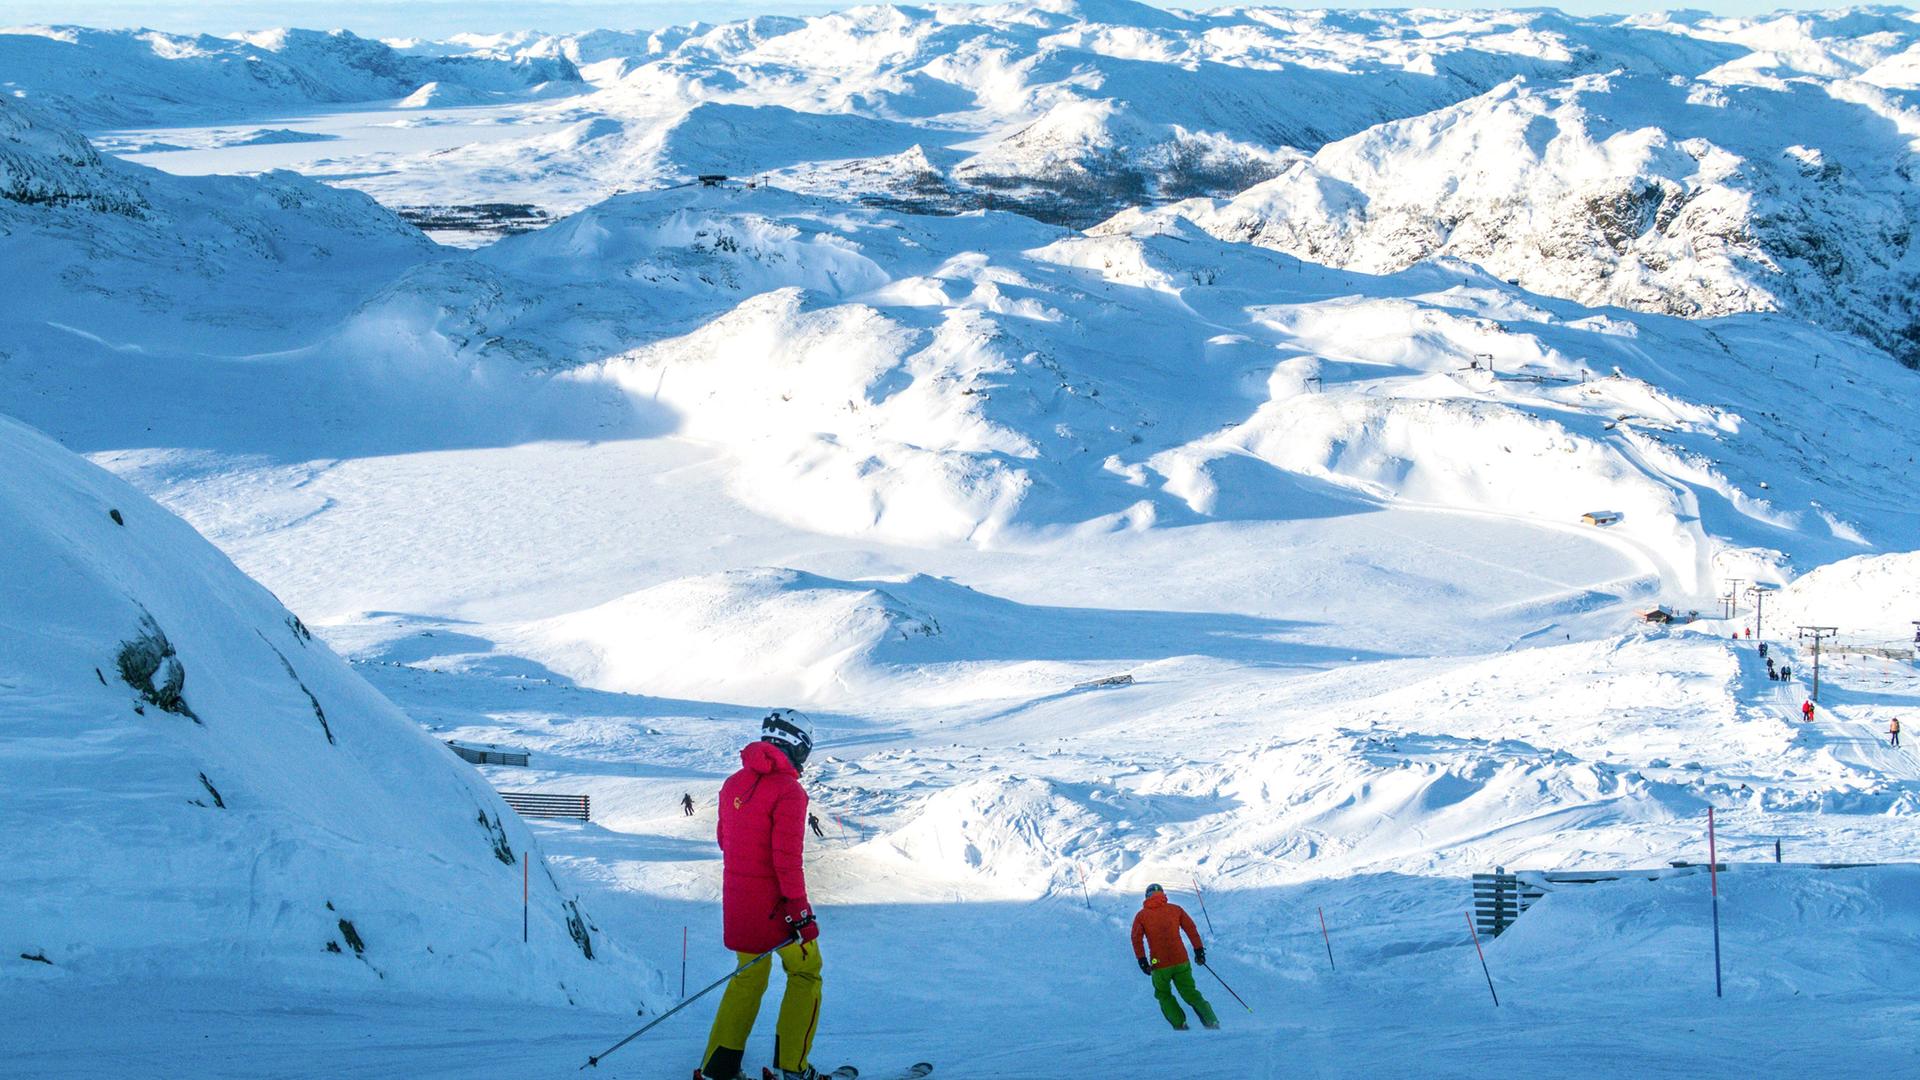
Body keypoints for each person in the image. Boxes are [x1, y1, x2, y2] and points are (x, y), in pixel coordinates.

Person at [699, 711, 824, 1080]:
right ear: (797, 747)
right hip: (778, 910)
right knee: (806, 973)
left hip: (740, 905)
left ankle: (718, 1067)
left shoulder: (733, 782)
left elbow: (726, 841)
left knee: (748, 975)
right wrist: (801, 914)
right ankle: (794, 1067)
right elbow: (786, 861)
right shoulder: (789, 791)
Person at [1130, 884, 1219, 1031]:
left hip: (1158, 962)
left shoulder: (1141, 915)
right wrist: (1199, 951)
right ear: (1162, 894)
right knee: (1190, 992)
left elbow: (1136, 939)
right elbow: (1191, 929)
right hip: (1181, 959)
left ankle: (1180, 1024)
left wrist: (1143, 961)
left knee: (1163, 993)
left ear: (1147, 896)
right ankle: (1212, 1021)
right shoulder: (1176, 909)